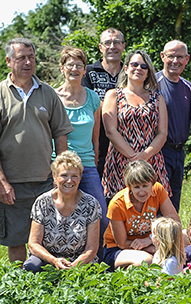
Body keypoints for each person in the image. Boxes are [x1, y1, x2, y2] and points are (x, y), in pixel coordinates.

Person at [0, 37, 73, 263]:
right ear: (9, 61)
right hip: (12, 184)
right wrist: (1, 182)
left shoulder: (48, 93)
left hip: (45, 181)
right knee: (17, 240)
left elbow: (60, 135)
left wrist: (59, 176)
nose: (28, 62)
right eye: (22, 58)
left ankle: (46, 290)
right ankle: (20, 291)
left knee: (49, 239)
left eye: (31, 57)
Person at [101, 49, 171, 198]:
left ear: (148, 72)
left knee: (153, 210)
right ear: (126, 69)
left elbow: (163, 133)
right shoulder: (113, 95)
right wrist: (133, 157)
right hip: (121, 160)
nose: (139, 69)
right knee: (120, 210)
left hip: (151, 160)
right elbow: (110, 130)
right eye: (134, 64)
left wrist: (145, 155)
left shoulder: (157, 99)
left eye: (143, 66)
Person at [55, 46, 107, 232]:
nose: (74, 69)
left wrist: (92, 162)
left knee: (101, 215)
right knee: (60, 216)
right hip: (60, 165)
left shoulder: (93, 98)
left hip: (87, 165)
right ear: (62, 68)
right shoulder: (53, 97)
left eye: (79, 65)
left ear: (85, 69)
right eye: (70, 65)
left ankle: (99, 257)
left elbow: (96, 137)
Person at [23, 151, 102, 272]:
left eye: (74, 176)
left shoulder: (91, 204)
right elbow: (33, 244)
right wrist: (54, 260)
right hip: (48, 259)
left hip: (80, 260)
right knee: (31, 265)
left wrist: (74, 266)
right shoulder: (42, 202)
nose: (69, 181)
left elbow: (92, 248)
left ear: (80, 178)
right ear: (54, 177)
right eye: (64, 175)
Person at [102, 161, 180, 269]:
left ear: (152, 184)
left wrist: (150, 240)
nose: (141, 191)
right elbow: (122, 243)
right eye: (136, 187)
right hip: (119, 250)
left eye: (145, 186)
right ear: (129, 186)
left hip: (151, 241)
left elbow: (175, 222)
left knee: (184, 238)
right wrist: (151, 248)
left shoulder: (158, 190)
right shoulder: (117, 204)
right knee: (146, 260)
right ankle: (129, 282)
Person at [83, 28, 126, 171]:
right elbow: (86, 105)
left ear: (123, 46)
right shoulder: (87, 72)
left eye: (117, 42)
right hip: (95, 147)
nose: (112, 47)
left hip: (126, 146)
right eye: (107, 43)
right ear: (100, 47)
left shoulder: (131, 72)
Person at [157, 40, 191, 211]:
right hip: (160, 152)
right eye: (171, 56)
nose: (175, 61)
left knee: (174, 202)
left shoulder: (189, 87)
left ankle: (172, 237)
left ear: (187, 59)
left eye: (180, 57)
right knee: (158, 201)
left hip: (180, 153)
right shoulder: (153, 84)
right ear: (163, 56)